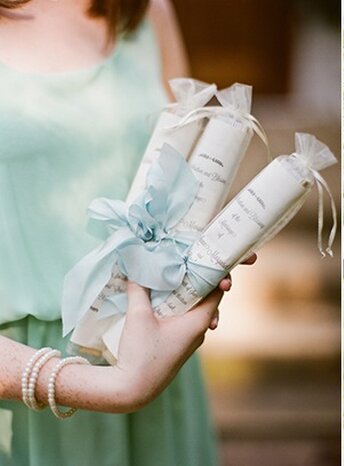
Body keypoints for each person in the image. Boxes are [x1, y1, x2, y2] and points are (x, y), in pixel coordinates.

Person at [0, 1, 253, 464]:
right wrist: (107, 385)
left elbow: (179, 170)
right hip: (20, 386)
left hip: (151, 358)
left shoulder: (145, 9)